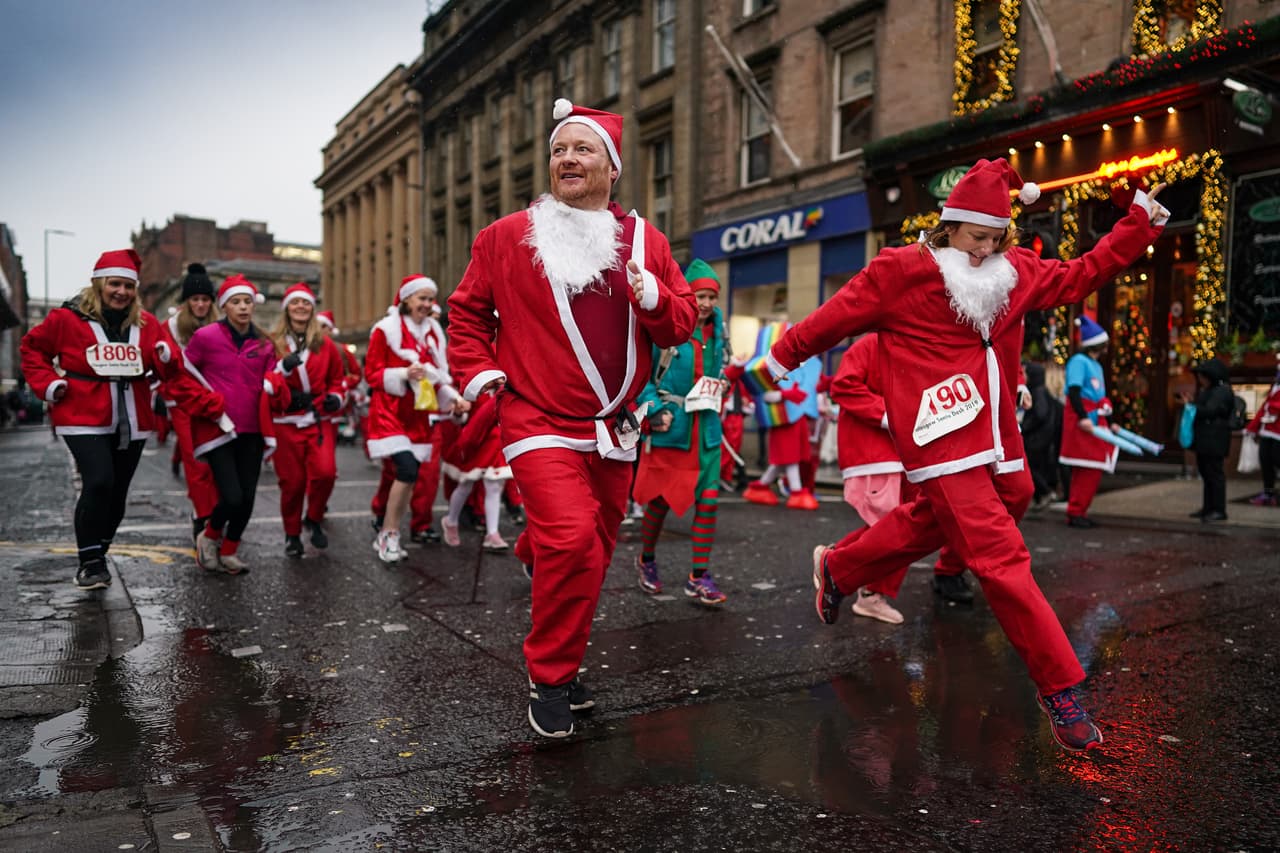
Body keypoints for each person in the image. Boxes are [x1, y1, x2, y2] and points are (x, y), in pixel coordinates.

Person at [765, 158, 1168, 752]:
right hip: (940, 437)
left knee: (1005, 499)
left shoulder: (1015, 271)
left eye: (996, 237)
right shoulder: (903, 270)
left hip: (998, 434)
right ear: (949, 226)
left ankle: (841, 568)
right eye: (976, 236)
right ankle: (1060, 691)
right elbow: (833, 319)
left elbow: (1083, 274)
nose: (984, 250)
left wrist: (1138, 224)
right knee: (1003, 560)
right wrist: (771, 366)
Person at [447, 97, 698, 738]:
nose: (567, 159)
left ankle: (536, 559)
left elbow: (684, 320)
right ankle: (551, 676)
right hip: (535, 417)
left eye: (582, 149)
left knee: (591, 552)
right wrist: (483, 374)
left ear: (612, 168)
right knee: (572, 540)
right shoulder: (505, 237)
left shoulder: (648, 242)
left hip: (615, 426)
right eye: (559, 150)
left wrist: (652, 296)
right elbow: (467, 314)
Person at [19, 250, 177, 588]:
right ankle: (90, 562)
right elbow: (32, 349)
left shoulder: (147, 324)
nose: (122, 292)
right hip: (82, 412)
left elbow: (166, 368)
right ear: (99, 284)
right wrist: (50, 385)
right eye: (115, 284)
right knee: (99, 481)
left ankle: (98, 550)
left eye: (128, 286)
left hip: (132, 415)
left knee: (118, 493)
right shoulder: (66, 319)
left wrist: (166, 356)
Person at [829, 332, 973, 624]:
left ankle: (842, 565)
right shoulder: (870, 344)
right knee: (893, 523)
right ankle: (850, 575)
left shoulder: (908, 346)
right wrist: (886, 414)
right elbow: (843, 386)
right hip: (876, 451)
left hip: (906, 451)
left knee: (907, 522)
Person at [632, 259, 731, 607]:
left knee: (708, 502)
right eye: (700, 295)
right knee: (660, 502)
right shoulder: (665, 327)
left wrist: (723, 385)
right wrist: (655, 411)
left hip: (706, 432)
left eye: (711, 297)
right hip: (672, 429)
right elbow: (640, 377)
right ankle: (646, 559)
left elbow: (721, 373)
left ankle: (699, 575)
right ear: (686, 295)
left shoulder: (720, 333)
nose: (706, 303)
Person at [185, 275, 284, 575]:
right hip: (218, 428)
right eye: (235, 302)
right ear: (223, 306)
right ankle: (210, 536)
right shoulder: (205, 337)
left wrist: (275, 383)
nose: (243, 307)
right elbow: (185, 376)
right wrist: (207, 405)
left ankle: (229, 550)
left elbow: (274, 376)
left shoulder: (265, 343)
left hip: (253, 427)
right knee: (232, 495)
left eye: (247, 301)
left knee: (248, 497)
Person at [365, 274, 461, 563]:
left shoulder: (433, 332)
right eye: (422, 298)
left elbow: (439, 376)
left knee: (411, 475)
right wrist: (403, 374)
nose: (427, 304)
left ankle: (387, 528)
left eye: (431, 299)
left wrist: (455, 399)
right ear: (406, 299)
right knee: (406, 470)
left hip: (420, 413)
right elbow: (372, 374)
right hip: (389, 412)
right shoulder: (385, 330)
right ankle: (389, 533)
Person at [269, 284, 347, 557]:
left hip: (318, 418)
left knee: (325, 473)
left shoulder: (326, 345)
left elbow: (338, 381)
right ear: (286, 308)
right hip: (285, 421)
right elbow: (263, 380)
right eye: (295, 303)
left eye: (306, 303)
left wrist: (336, 398)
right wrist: (282, 371)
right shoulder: (273, 343)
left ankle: (313, 518)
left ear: (312, 309)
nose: (301, 307)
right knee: (292, 483)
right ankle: (292, 533)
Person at [156, 263, 223, 543]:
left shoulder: (221, 326)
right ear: (185, 301)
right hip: (184, 405)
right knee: (196, 464)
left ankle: (217, 514)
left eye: (205, 299)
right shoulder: (168, 328)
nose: (200, 304)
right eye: (195, 299)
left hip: (216, 403)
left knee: (218, 462)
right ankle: (201, 514)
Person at [1057, 316, 1116, 528]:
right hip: (1083, 422)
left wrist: (1110, 421)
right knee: (1086, 469)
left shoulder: (1095, 365)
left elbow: (1099, 398)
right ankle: (1075, 511)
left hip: (1094, 420)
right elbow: (1074, 392)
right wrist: (1083, 418)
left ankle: (1079, 510)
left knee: (1091, 468)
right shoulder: (1079, 362)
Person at [440, 387, 513, 551]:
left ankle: (492, 533)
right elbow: (460, 418)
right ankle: (451, 521)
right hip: (476, 439)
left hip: (498, 440)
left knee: (494, 486)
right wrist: (458, 412)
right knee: (466, 484)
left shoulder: (507, 381)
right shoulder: (475, 382)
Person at [1187, 359, 1235, 522]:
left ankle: (1218, 509)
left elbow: (1210, 410)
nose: (1200, 380)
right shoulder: (1209, 390)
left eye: (1202, 377)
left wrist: (1191, 406)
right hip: (1206, 439)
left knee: (1214, 474)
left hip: (1214, 439)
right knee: (1207, 474)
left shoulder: (1221, 391)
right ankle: (1208, 507)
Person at [1020, 361, 1062, 510]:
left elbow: (1040, 413)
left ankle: (1045, 492)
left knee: (1030, 467)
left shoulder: (1037, 392)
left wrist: (1024, 427)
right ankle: (1040, 497)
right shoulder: (1040, 390)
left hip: (1036, 438)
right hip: (1041, 436)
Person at [1244, 358, 1280, 506]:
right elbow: (1264, 407)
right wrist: (1252, 427)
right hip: (1267, 430)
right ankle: (1268, 493)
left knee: (1277, 460)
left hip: (1278, 432)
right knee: (1266, 461)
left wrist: (1272, 405)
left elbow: (1272, 405)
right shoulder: (1275, 386)